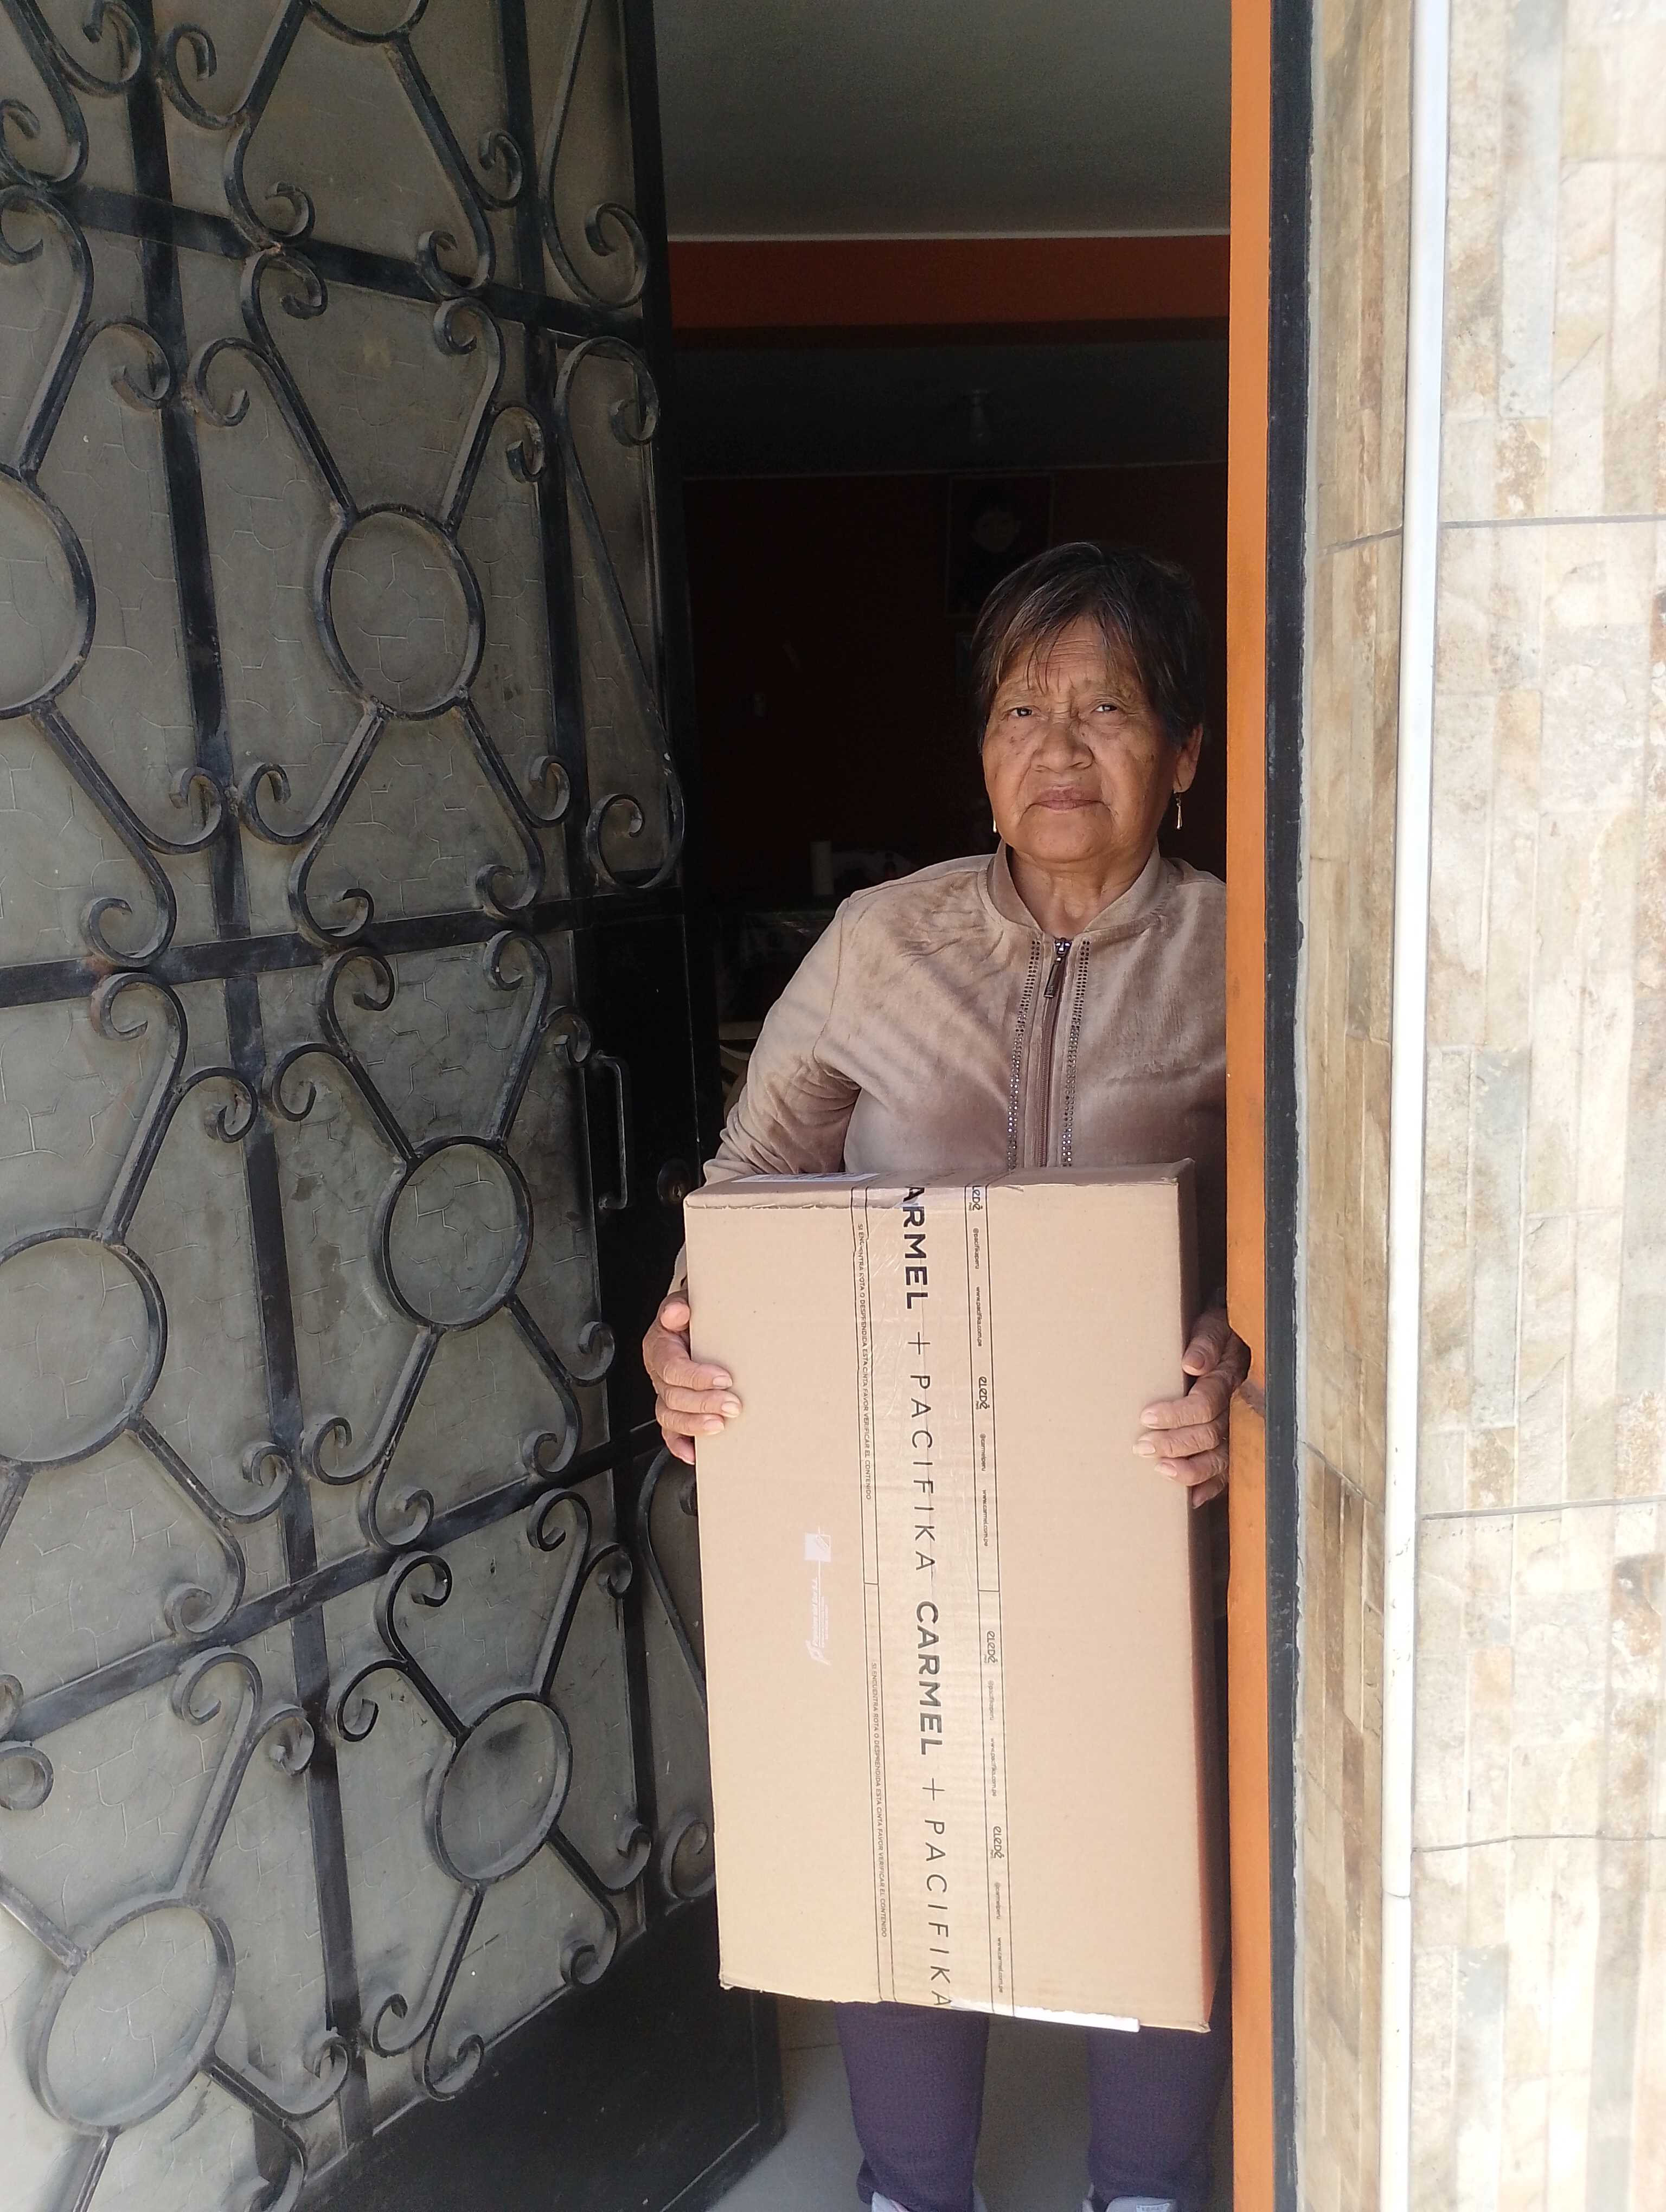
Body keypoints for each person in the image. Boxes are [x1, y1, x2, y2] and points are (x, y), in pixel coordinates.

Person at [642, 543, 1247, 2212]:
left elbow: (1325, 1227)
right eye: (1022, 710)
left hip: (1144, 1498)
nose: (1059, 749)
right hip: (897, 1493)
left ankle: (1144, 2185)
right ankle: (913, 2188)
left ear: (1183, 756)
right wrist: (679, 1330)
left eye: (1107, 710)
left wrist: (1245, 1371)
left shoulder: (1244, 957)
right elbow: (750, 1180)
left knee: (1147, 1835)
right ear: (982, 750)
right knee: (902, 1823)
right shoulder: (879, 943)